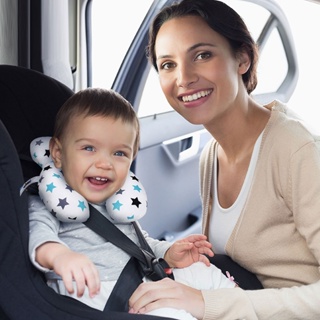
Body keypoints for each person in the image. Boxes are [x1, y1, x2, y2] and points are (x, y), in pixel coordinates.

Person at [128, 0, 320, 319]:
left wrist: (206, 302)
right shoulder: (210, 156)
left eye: (202, 55)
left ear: (242, 58)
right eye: (168, 64)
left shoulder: (296, 150)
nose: (184, 78)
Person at [27, 88, 236, 320]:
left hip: (143, 281)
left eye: (119, 153)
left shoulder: (116, 202)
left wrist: (168, 252)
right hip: (100, 297)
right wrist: (60, 256)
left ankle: (247, 311)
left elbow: (139, 243)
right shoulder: (49, 200)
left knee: (202, 271)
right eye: (89, 148)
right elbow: (40, 237)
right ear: (57, 152)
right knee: (172, 314)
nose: (105, 163)